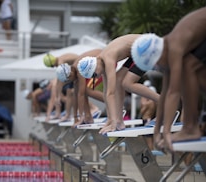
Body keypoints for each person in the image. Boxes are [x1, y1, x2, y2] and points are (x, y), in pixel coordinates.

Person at [131, 7, 206, 152]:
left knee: (188, 66)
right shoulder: (164, 49)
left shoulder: (174, 47)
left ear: (158, 56)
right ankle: (192, 126)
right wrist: (157, 130)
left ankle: (190, 127)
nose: (159, 68)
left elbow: (174, 92)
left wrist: (166, 132)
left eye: (157, 64)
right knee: (197, 76)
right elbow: (165, 94)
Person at [77, 34, 159, 135]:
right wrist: (111, 120)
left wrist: (113, 123)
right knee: (119, 80)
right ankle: (119, 121)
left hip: (147, 48)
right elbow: (106, 92)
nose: (97, 78)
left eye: (95, 74)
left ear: (95, 65)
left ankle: (162, 102)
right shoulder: (101, 62)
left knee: (127, 84)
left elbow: (111, 93)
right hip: (138, 50)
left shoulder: (108, 59)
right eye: (93, 77)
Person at [56, 49, 104, 127]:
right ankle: (88, 116)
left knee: (85, 91)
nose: (70, 81)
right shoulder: (74, 71)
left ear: (70, 74)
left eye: (69, 80)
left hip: (104, 61)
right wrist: (75, 118)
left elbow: (81, 95)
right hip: (97, 62)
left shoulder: (79, 70)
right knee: (78, 90)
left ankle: (115, 107)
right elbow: (75, 95)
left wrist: (80, 116)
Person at [43, 53, 79, 122]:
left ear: (53, 63)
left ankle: (92, 108)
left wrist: (58, 96)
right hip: (76, 69)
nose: (53, 67)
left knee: (78, 92)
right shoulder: (61, 59)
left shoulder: (60, 62)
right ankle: (66, 115)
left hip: (79, 69)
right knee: (69, 92)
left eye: (52, 66)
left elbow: (60, 80)